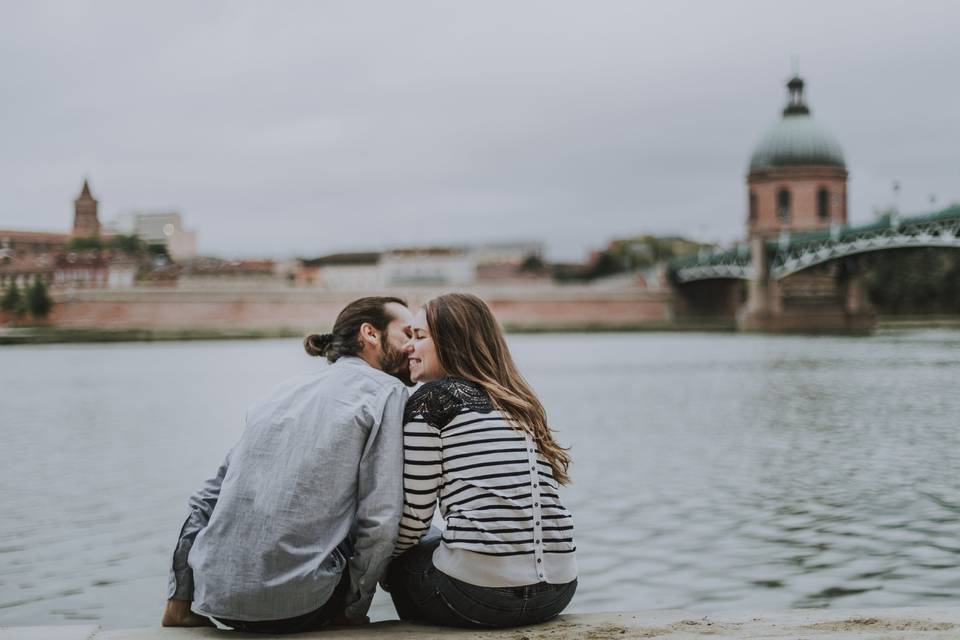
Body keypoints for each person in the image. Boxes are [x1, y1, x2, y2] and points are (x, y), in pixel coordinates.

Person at [162, 296, 414, 634]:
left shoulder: (282, 392)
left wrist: (180, 597)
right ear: (370, 333)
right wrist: (352, 610)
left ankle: (177, 608)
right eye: (408, 333)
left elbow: (207, 499)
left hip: (217, 599)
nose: (414, 347)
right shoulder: (387, 392)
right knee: (419, 527)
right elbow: (381, 516)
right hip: (299, 607)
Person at [386, 292, 577, 628]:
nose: (408, 348)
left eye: (419, 337)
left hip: (477, 597)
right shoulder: (517, 401)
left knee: (403, 559)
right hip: (559, 589)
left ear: (450, 342)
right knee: (435, 539)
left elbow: (415, 516)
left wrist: (379, 563)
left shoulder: (431, 401)